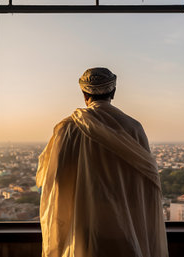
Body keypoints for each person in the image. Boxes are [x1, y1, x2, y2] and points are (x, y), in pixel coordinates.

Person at [36, 67, 168, 257]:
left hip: (83, 230)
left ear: (84, 94)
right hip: (127, 230)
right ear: (113, 92)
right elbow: (145, 185)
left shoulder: (68, 128)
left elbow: (57, 184)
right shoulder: (133, 128)